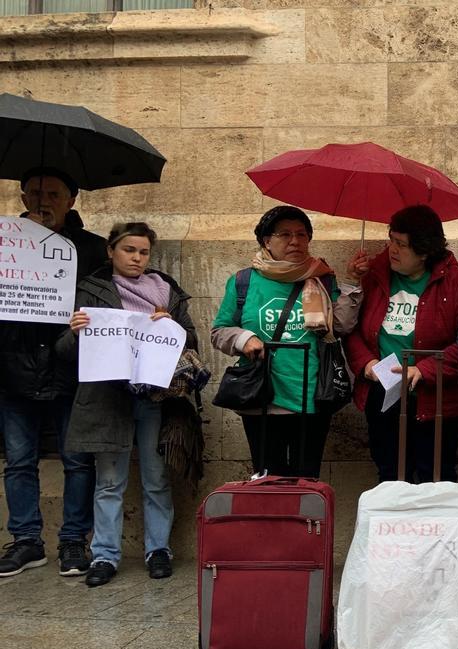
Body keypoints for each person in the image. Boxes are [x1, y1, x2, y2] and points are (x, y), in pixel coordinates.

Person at [55, 222, 197, 587]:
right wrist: (74, 332)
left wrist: (172, 328)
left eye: (143, 251)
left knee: (155, 476)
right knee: (109, 481)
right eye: (128, 250)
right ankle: (104, 555)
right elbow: (64, 353)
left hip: (153, 397)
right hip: (107, 398)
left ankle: (158, 549)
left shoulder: (166, 291)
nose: (136, 257)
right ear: (111, 251)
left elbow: (190, 341)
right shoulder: (89, 289)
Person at [0, 168, 108, 578]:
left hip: (70, 368)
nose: (43, 200)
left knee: (77, 461)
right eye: (34, 193)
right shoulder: (4, 243)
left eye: (53, 194)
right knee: (19, 460)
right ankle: (26, 541)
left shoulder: (92, 249)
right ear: (23, 198)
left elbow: (105, 302)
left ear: (71, 200)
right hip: (14, 367)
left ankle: (73, 541)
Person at [211, 206, 369, 478]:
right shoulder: (243, 282)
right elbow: (219, 331)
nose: (295, 241)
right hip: (262, 398)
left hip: (312, 396)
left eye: (301, 234)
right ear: (266, 241)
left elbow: (340, 326)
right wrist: (244, 339)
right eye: (284, 234)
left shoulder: (321, 277)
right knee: (268, 481)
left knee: (306, 481)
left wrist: (353, 280)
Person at [346, 205, 458, 484]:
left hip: (437, 399)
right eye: (391, 239)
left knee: (437, 478)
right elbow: (351, 329)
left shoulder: (456, 282)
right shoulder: (375, 275)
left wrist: (424, 370)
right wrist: (366, 364)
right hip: (384, 392)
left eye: (402, 245)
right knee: (390, 476)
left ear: (425, 251)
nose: (392, 249)